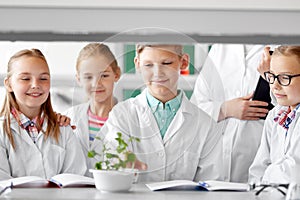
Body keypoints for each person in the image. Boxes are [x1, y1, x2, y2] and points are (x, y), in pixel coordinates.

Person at [92, 44, 223, 182]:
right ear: (137, 64)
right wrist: (120, 165)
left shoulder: (206, 125)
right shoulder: (122, 115)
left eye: (166, 63)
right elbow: (108, 167)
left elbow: (212, 186)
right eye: (148, 65)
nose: (158, 73)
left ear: (183, 62)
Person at [190, 44, 273, 183]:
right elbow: (195, 108)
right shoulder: (221, 47)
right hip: (211, 168)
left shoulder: (282, 47)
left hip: (255, 164)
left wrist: (272, 76)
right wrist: (225, 109)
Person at [0, 48, 86, 180]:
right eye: (25, 78)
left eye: (43, 78)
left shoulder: (63, 129)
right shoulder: (2, 131)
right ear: (9, 84)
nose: (35, 85)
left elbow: (75, 178)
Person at [64, 43, 121, 176]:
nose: (96, 84)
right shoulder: (70, 117)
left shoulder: (127, 118)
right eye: (88, 77)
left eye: (104, 76)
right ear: (78, 79)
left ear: (116, 74)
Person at [249, 46, 300, 184]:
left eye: (285, 77)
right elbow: (257, 169)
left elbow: (294, 171)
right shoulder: (275, 115)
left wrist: (266, 178)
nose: (275, 86)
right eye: (271, 76)